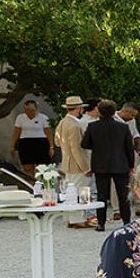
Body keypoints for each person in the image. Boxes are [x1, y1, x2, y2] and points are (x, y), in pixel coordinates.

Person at [82, 99, 137, 230]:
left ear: (99, 111)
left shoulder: (92, 126)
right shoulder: (123, 127)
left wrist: (96, 146)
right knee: (123, 195)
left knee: (101, 195)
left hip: (100, 164)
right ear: (114, 112)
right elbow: (129, 148)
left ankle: (101, 223)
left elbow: (84, 144)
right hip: (120, 163)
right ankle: (126, 222)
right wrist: (131, 165)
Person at [56, 96, 94, 226]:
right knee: (81, 191)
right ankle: (79, 219)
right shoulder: (74, 125)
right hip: (77, 164)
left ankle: (70, 218)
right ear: (78, 109)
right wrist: (85, 167)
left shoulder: (63, 122)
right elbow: (76, 149)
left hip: (67, 161)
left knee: (70, 191)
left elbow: (57, 141)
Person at [12, 98, 53, 180]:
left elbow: (48, 133)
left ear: (36, 109)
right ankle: (31, 182)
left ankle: (42, 183)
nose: (29, 112)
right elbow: (16, 132)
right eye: (26, 110)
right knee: (27, 167)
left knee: (42, 167)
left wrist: (51, 147)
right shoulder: (20, 118)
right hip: (25, 143)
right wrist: (12, 146)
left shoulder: (43, 118)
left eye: (31, 110)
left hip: (40, 143)